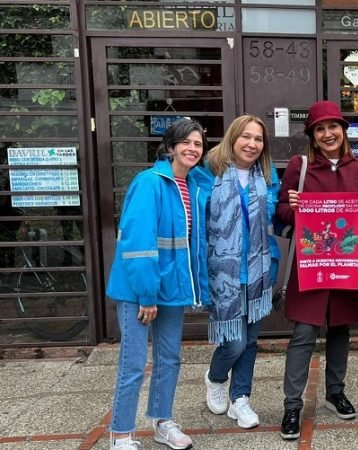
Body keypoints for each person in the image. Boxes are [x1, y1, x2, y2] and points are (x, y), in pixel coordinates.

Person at [105, 119, 212, 450]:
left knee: (169, 359)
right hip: (140, 291)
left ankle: (162, 422)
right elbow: (138, 244)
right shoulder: (149, 182)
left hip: (172, 288)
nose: (193, 148)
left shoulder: (194, 184)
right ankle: (120, 434)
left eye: (198, 144)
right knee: (134, 364)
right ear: (170, 147)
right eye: (186, 142)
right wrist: (147, 295)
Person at [276, 100, 358, 440]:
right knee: (303, 334)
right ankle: (292, 406)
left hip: (346, 264)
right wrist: (293, 207)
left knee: (341, 329)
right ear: (312, 135)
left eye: (333, 127)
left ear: (343, 130)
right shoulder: (299, 166)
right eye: (320, 129)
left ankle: (335, 391)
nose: (328, 134)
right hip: (311, 264)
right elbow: (280, 212)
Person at [203, 115, 281, 429]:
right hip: (224, 272)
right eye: (246, 137)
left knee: (249, 342)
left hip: (259, 270)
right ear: (233, 138)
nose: (252, 144)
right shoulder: (209, 172)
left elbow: (274, 213)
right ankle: (215, 377)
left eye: (258, 139)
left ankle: (240, 399)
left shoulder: (268, 174)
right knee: (234, 343)